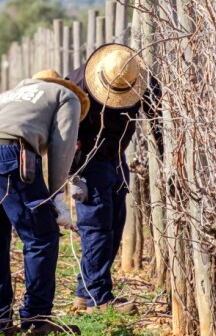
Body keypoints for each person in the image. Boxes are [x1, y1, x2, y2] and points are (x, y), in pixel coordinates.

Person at [0, 69, 89, 335]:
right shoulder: (66, 96)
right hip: (10, 152)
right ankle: (37, 319)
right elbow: (62, 146)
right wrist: (55, 196)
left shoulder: (4, 96)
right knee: (41, 237)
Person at [65, 43, 162, 313]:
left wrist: (166, 159)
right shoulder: (75, 86)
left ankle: (86, 293)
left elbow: (158, 118)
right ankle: (99, 298)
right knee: (96, 228)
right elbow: (61, 131)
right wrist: (73, 175)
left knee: (115, 224)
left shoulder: (139, 78)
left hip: (116, 154)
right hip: (86, 158)